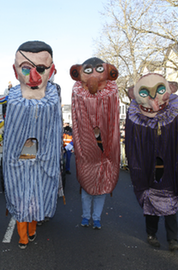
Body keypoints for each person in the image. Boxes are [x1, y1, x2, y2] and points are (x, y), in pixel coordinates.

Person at [3, 41, 62, 249]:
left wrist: (51, 157)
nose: (34, 77)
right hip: (19, 156)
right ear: (15, 70)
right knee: (21, 196)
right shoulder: (13, 99)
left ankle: (32, 228)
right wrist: (12, 158)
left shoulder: (53, 98)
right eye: (26, 68)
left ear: (51, 70)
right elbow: (10, 132)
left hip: (42, 155)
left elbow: (55, 131)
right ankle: (22, 236)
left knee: (36, 194)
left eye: (41, 69)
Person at [125, 74, 178, 251]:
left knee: (170, 206)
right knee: (151, 205)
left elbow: (176, 133)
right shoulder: (136, 113)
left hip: (168, 170)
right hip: (149, 170)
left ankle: (172, 239)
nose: (152, 97)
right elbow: (133, 142)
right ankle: (151, 234)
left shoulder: (173, 109)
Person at [70, 57, 120, 229]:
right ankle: (86, 217)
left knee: (101, 191)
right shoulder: (78, 92)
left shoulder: (111, 92)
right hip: (88, 157)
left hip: (105, 157)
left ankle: (96, 218)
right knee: (86, 190)